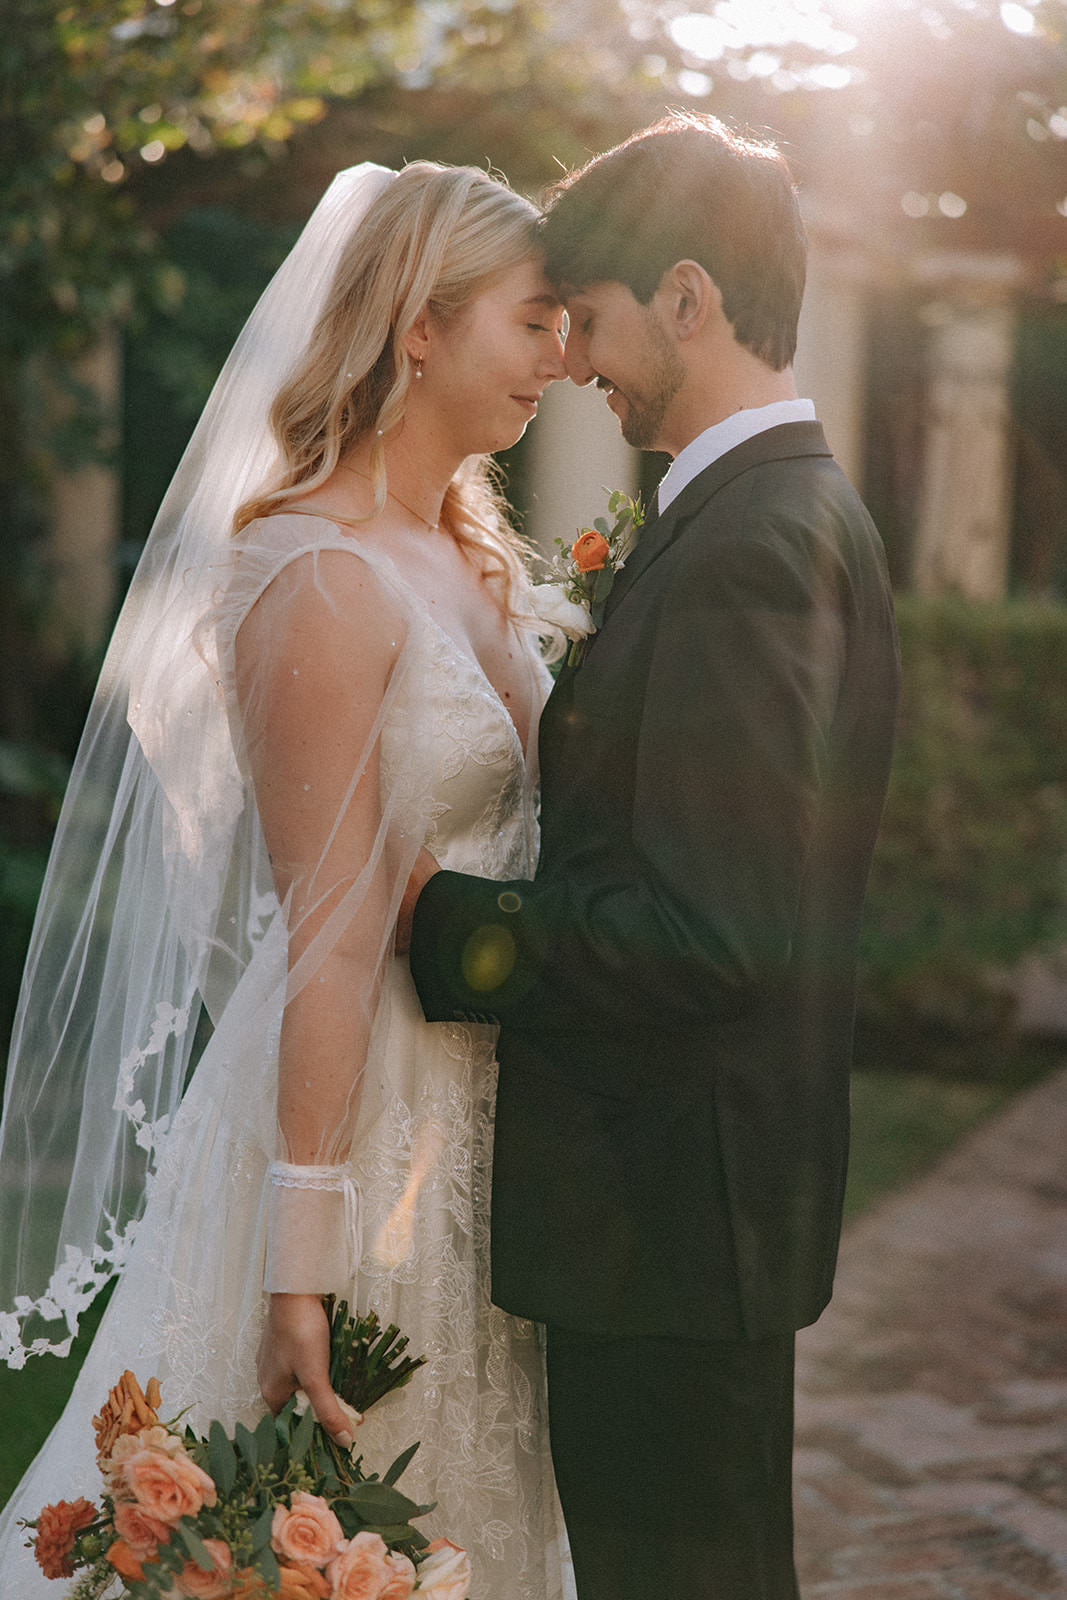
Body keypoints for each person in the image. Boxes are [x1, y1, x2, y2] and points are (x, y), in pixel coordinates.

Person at [0, 159, 572, 1599]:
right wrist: (298, 1269)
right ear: (420, 326)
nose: (561, 357)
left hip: (491, 1128)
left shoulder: (468, 554)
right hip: (358, 1117)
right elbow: (325, 936)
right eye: (535, 319)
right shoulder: (317, 573)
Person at [404, 112, 902, 1600]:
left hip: (674, 1220)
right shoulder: (769, 514)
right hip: (690, 1214)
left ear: (688, 298)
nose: (574, 363)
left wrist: (443, 926)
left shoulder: (755, 541)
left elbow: (711, 930)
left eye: (596, 322)